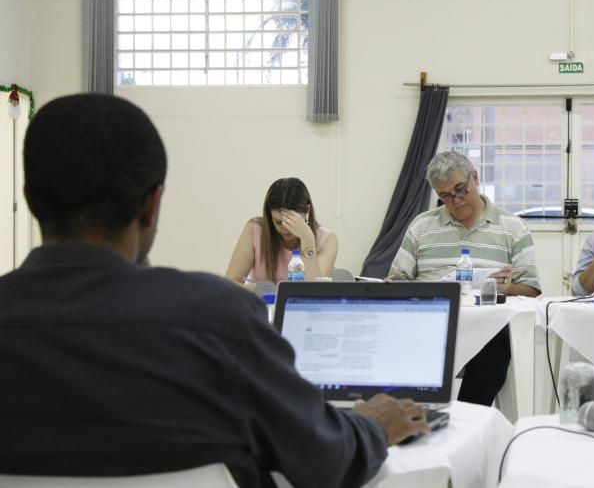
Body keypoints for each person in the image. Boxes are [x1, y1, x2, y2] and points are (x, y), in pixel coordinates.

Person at [0, 94, 428, 488]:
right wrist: (372, 424)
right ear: (152, 205)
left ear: (30, 199)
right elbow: (324, 460)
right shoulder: (219, 320)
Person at [388, 151, 541, 406]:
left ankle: (467, 414)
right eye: (445, 196)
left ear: (475, 178)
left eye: (460, 190)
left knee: (494, 343)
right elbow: (397, 281)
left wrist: (508, 288)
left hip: (486, 326)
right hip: (430, 322)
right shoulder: (422, 226)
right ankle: (418, 412)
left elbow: (532, 289)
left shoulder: (512, 227)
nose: (456, 201)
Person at [226, 177, 338, 285]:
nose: (285, 229)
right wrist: (262, 290)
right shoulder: (255, 230)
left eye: (292, 222)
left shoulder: (327, 239)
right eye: (278, 222)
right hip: (261, 298)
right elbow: (231, 283)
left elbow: (314, 291)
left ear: (307, 211)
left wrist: (308, 240)